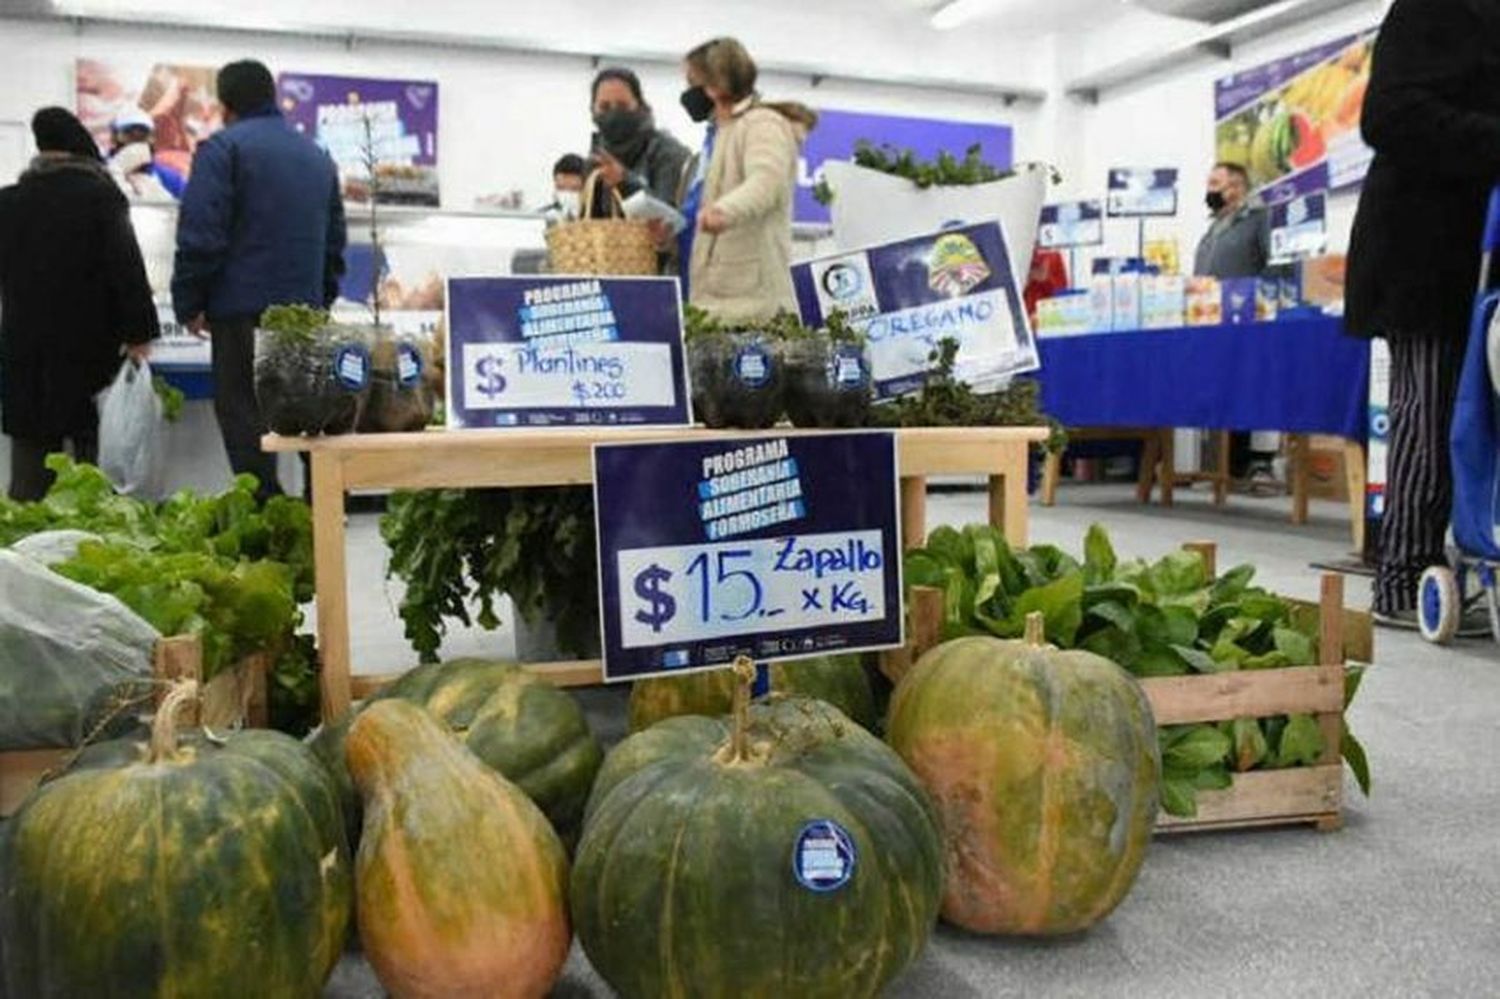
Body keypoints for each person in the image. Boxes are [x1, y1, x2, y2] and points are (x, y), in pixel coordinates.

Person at [1345, 0, 1500, 629]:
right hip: (1424, 251)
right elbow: (1388, 116)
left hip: (1485, 251)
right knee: (1431, 411)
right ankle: (1403, 576)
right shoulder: (1433, 8)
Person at [173, 60, 346, 502]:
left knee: (244, 415)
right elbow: (334, 244)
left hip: (241, 311)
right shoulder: (317, 156)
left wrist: (189, 300)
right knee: (308, 415)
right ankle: (323, 510)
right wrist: (321, 302)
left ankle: (267, 515)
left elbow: (202, 233)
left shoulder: (222, 149)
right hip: (304, 316)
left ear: (224, 105)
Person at [0, 107, 157, 500]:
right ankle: (94, 533)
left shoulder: (10, 201)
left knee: (31, 451)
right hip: (89, 345)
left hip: (26, 347)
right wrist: (140, 334)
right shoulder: (101, 197)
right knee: (93, 452)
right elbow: (128, 271)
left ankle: (21, 541)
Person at [679, 37, 816, 322]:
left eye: (693, 82)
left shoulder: (762, 124)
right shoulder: (722, 133)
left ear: (715, 85)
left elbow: (767, 181)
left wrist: (724, 211)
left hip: (753, 306)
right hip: (719, 303)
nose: (689, 93)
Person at [1193, 161, 1275, 489]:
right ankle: (1220, 469)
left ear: (1236, 188)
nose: (1209, 189)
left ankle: (1258, 465)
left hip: (1248, 323)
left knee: (1251, 390)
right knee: (1219, 391)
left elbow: (1273, 265)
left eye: (1215, 182)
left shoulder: (1257, 220)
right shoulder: (1213, 229)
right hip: (1212, 324)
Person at [587, 68, 691, 216]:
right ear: (592, 110)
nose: (613, 114)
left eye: (622, 106)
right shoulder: (596, 158)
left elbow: (670, 218)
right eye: (604, 107)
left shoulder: (668, 153)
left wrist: (625, 183)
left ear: (640, 106)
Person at [107, 110, 185, 199]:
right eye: (129, 134)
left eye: (143, 135)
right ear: (114, 138)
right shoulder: (99, 170)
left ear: (152, 139)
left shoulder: (168, 177)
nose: (136, 141)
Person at [541, 153, 586, 220]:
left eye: (574, 189)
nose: (567, 195)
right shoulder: (543, 218)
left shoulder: (599, 221)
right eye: (561, 188)